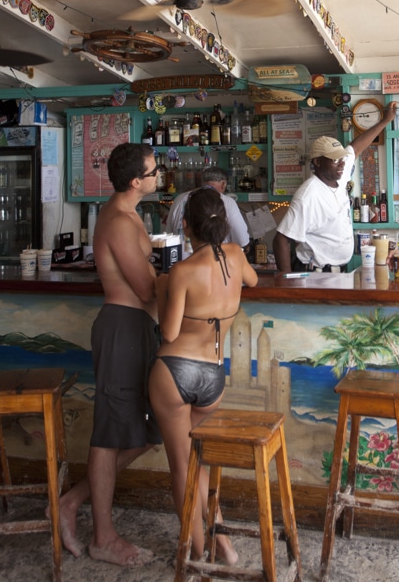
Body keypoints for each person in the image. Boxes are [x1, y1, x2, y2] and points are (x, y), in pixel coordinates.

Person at [53, 143, 162, 565]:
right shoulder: (118, 220)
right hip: (122, 328)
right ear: (137, 181)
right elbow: (146, 289)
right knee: (110, 433)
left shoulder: (130, 214)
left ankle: (71, 501)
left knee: (149, 429)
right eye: (154, 171)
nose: (158, 176)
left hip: (138, 329)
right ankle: (103, 538)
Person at [149, 188, 258, 564]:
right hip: (213, 376)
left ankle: (200, 554)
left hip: (175, 372)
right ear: (224, 224)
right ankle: (223, 544)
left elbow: (168, 333)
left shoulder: (181, 271)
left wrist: (163, 288)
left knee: (183, 468)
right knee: (202, 467)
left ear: (185, 226)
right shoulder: (236, 255)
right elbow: (255, 282)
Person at [273, 101, 398, 273]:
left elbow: (356, 146)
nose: (341, 164)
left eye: (341, 158)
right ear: (317, 162)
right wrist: (286, 283)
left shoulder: (339, 172)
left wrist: (385, 121)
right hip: (315, 274)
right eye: (334, 160)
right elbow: (281, 239)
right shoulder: (308, 195)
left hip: (341, 271)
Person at [166, 166, 250, 258]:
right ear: (223, 184)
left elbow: (169, 235)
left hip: (180, 263)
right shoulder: (227, 202)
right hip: (215, 264)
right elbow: (242, 240)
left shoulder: (179, 199)